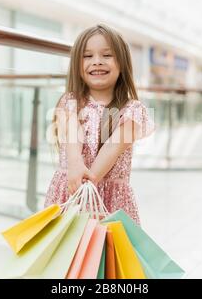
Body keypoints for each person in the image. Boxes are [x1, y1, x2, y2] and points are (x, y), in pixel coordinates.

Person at [44, 24, 154, 225]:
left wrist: (87, 182)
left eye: (107, 55)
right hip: (69, 195)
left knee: (105, 254)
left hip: (108, 203)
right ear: (77, 64)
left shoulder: (132, 110)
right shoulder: (69, 102)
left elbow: (113, 147)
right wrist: (75, 164)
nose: (97, 62)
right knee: (66, 253)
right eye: (87, 56)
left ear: (122, 64)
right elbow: (72, 133)